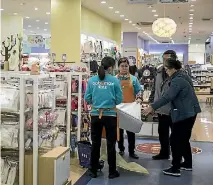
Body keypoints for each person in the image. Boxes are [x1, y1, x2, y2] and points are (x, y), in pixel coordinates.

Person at [142, 58, 201, 177]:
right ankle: (188, 164)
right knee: (183, 139)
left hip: (184, 114)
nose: (166, 71)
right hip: (190, 112)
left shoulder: (177, 80)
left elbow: (167, 97)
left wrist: (151, 107)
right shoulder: (183, 76)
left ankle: (175, 168)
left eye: (167, 69)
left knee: (175, 140)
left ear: (173, 68)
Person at [84, 56, 123, 179]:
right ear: (111, 67)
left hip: (95, 115)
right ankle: (112, 172)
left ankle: (93, 170)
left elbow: (87, 98)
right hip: (110, 115)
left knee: (95, 144)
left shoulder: (91, 80)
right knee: (111, 144)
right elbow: (119, 99)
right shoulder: (115, 81)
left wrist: (96, 104)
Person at [148, 50, 178, 160]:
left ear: (174, 59)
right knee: (162, 133)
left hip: (175, 109)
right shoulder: (159, 71)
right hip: (161, 109)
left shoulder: (180, 73)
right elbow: (154, 88)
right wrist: (152, 103)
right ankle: (164, 153)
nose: (165, 61)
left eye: (167, 59)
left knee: (176, 135)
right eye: (163, 59)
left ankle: (177, 157)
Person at [116, 57, 142, 159]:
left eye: (126, 66)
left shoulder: (134, 79)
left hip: (130, 108)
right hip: (118, 108)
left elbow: (138, 91)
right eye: (122, 66)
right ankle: (121, 149)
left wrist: (139, 98)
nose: (124, 68)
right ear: (118, 67)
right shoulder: (114, 79)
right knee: (119, 131)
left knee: (131, 131)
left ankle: (132, 151)